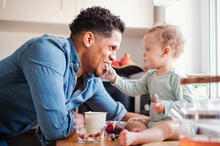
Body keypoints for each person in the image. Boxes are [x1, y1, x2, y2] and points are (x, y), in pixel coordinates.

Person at [0, 6, 148, 146]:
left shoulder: (90, 81)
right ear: (89, 39)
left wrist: (162, 124)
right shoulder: (47, 53)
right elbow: (55, 128)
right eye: (111, 48)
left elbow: (117, 115)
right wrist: (82, 120)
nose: (114, 58)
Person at [103, 24, 193, 145]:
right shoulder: (150, 76)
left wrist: (165, 106)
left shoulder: (177, 77)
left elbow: (189, 105)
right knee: (132, 121)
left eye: (148, 49)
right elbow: (133, 89)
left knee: (166, 127)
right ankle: (145, 135)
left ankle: (138, 137)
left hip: (179, 126)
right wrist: (115, 78)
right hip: (156, 123)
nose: (144, 54)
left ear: (165, 51)